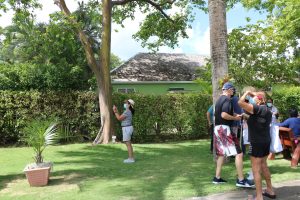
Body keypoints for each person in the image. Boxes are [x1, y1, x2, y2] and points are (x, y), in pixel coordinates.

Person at [212, 82, 253, 188]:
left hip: (218, 128)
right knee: (239, 154)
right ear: (228, 90)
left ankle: (217, 178)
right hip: (224, 129)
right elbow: (224, 115)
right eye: (233, 90)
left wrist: (236, 115)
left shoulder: (219, 100)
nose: (233, 92)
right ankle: (241, 180)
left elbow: (224, 113)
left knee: (221, 154)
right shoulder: (227, 99)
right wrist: (235, 118)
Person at [238, 91, 276, 200]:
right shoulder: (267, 110)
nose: (251, 99)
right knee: (264, 165)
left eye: (253, 97)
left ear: (259, 99)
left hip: (257, 142)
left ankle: (259, 197)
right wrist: (245, 116)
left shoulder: (258, 108)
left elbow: (240, 102)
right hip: (265, 141)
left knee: (256, 169)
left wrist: (247, 92)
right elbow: (256, 121)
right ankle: (270, 190)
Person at [113, 99, 135, 163]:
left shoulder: (127, 111)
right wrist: (116, 111)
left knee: (128, 144)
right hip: (127, 128)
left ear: (129, 105)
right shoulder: (128, 111)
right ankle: (131, 158)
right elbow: (121, 117)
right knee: (128, 144)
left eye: (126, 103)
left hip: (126, 128)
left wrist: (115, 111)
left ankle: (131, 159)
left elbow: (119, 118)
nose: (125, 104)